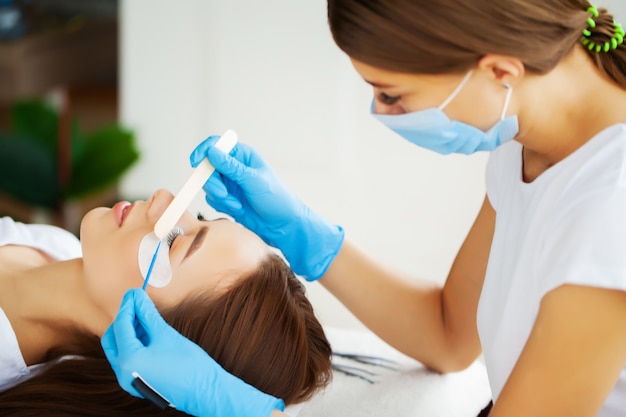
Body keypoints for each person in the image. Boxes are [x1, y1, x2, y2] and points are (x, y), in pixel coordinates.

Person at [103, 1, 626, 416]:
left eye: (392, 95)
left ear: (499, 71)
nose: (381, 112)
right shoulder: (528, 146)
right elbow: (449, 336)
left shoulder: (610, 206)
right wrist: (301, 233)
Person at [0, 189, 332, 416]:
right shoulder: (57, 247)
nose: (165, 199)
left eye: (173, 241)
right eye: (200, 217)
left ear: (144, 334)